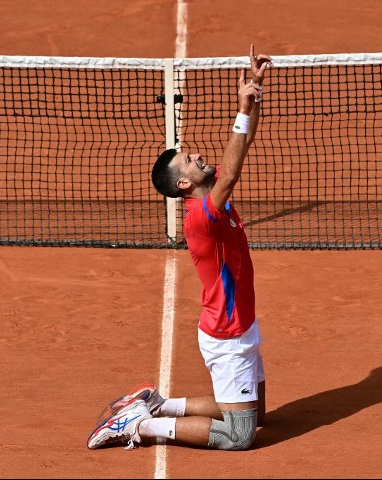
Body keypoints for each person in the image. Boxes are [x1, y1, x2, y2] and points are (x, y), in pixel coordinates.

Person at [87, 44, 272, 452]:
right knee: (241, 435)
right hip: (229, 334)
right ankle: (142, 427)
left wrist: (253, 92)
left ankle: (157, 405)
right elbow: (233, 169)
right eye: (190, 159)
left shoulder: (211, 198)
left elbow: (240, 151)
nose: (199, 155)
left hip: (242, 323)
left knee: (256, 413)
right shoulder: (201, 216)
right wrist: (242, 107)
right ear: (185, 184)